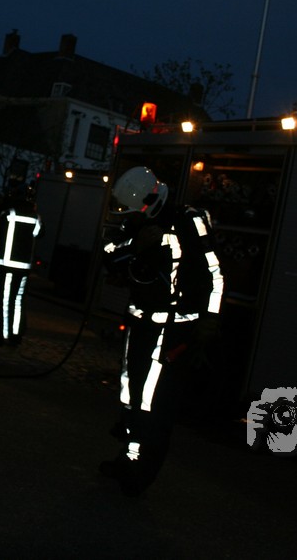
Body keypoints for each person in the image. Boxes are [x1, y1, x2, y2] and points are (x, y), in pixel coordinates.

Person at [99, 166, 224, 496]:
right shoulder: (137, 223)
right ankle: (128, 457)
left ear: (151, 199)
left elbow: (214, 273)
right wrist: (136, 245)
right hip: (140, 323)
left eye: (136, 210)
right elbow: (109, 254)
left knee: (154, 403)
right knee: (131, 394)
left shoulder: (189, 220)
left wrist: (210, 318)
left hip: (172, 331)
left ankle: (141, 472)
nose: (133, 216)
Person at [0, 183, 42, 346]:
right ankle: (16, 334)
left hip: (5, 265)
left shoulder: (9, 214)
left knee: (4, 300)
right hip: (24, 267)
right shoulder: (36, 217)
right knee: (18, 301)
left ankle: (2, 336)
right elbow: (39, 234)